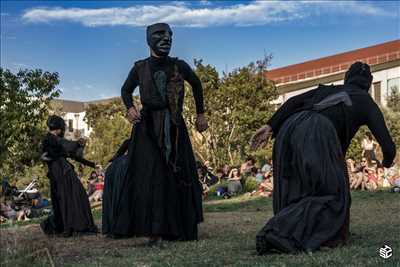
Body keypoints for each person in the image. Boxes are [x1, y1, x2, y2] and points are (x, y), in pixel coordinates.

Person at [251, 62, 396, 254]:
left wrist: (270, 126)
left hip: (288, 128)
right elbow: (387, 145)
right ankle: (277, 232)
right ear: (369, 84)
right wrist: (386, 163)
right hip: (317, 131)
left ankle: (293, 233)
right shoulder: (365, 101)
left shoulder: (327, 90)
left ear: (346, 79)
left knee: (297, 188)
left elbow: (293, 102)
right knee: (333, 194)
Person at [116, 22, 208, 244]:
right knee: (151, 176)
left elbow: (196, 84)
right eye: (159, 34)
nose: (166, 38)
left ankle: (178, 228)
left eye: (169, 35)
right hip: (147, 127)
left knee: (177, 174)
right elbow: (125, 90)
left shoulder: (179, 66)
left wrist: (200, 113)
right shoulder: (139, 68)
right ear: (148, 39)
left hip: (175, 126)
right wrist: (129, 107)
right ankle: (154, 230)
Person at [40, 115, 98, 237]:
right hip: (61, 173)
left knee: (72, 197)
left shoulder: (54, 140)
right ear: (59, 128)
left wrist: (92, 165)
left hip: (61, 172)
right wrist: (78, 143)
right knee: (69, 198)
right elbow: (67, 147)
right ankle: (70, 226)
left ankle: (70, 226)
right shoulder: (50, 139)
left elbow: (73, 155)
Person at [102, 138, 130, 236]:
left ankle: (113, 226)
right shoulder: (127, 162)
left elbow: (117, 154)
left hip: (116, 168)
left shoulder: (115, 164)